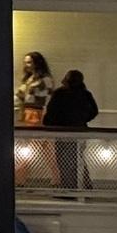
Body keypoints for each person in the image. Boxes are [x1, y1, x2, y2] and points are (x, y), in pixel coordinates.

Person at [43, 69, 99, 189]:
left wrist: (49, 125)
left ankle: (69, 188)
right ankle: (84, 186)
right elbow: (94, 111)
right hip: (80, 130)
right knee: (78, 159)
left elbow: (51, 112)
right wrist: (84, 119)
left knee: (64, 160)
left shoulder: (59, 93)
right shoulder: (85, 94)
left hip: (63, 131)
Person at [15, 52, 56, 184]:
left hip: (37, 114)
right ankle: (57, 178)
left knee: (32, 148)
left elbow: (43, 98)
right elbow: (20, 95)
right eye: (25, 62)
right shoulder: (29, 79)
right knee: (43, 149)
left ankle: (17, 176)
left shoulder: (44, 80)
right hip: (28, 114)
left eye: (29, 62)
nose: (26, 65)